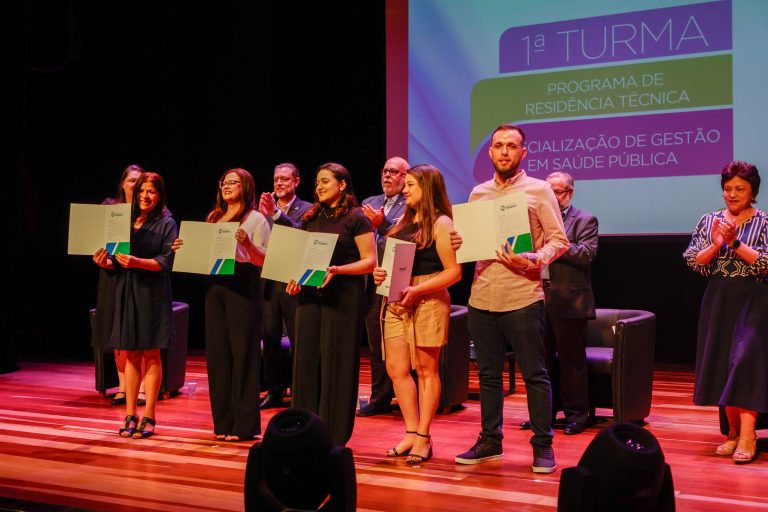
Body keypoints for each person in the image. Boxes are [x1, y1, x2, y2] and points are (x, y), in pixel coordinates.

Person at [453, 124, 568, 473]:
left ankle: (543, 445)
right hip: (482, 295)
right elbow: (473, 242)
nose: (504, 151)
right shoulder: (477, 193)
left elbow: (559, 241)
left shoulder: (540, 190)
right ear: (490, 152)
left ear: (523, 153)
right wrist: (461, 243)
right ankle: (490, 441)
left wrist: (532, 259)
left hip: (522, 294)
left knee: (534, 373)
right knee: (488, 376)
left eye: (512, 146)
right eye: (498, 145)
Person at [372, 164, 461, 464]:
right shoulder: (402, 222)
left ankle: (424, 436)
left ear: (427, 187)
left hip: (428, 298)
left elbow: (453, 272)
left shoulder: (441, 223)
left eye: (410, 185)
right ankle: (410, 432)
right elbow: (394, 262)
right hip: (396, 297)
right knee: (396, 369)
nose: (405, 189)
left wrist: (418, 290)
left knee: (425, 370)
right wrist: (381, 274)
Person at [175, 168, 270, 441]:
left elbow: (264, 259)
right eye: (224, 182)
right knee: (218, 355)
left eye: (233, 182)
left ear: (246, 187)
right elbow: (206, 253)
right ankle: (223, 423)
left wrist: (248, 243)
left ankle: (244, 425)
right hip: (215, 287)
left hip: (243, 286)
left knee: (243, 355)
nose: (227, 186)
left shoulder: (256, 219)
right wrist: (186, 247)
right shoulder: (215, 217)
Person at [683, 160, 768, 464]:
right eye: (728, 188)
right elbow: (694, 261)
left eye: (739, 189)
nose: (732, 194)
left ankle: (748, 435)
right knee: (722, 363)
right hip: (719, 297)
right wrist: (718, 244)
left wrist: (736, 242)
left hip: (755, 297)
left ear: (752, 192)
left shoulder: (765, 221)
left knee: (744, 362)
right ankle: (733, 433)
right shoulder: (709, 221)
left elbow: (765, 263)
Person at [286, 162, 376, 445]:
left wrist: (337, 270)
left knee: (337, 362)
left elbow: (370, 262)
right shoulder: (310, 218)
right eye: (317, 183)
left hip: (343, 298)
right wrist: (295, 279)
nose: (319, 187)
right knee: (306, 361)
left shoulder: (356, 218)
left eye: (325, 181)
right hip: (310, 298)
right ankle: (303, 428)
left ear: (343, 184)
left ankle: (333, 434)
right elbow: (302, 259)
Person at [94, 172, 177, 439]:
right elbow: (115, 262)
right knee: (129, 353)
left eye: (151, 191)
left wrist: (138, 262)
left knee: (151, 353)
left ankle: (150, 415)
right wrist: (104, 262)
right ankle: (130, 414)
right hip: (126, 290)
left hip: (152, 293)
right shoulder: (125, 221)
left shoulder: (166, 222)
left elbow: (166, 262)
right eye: (141, 191)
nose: (145, 196)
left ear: (159, 195)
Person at [537, 171, 598, 435]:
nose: (552, 196)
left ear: (569, 193)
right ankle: (544, 415)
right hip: (539, 296)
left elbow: (587, 253)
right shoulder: (537, 219)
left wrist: (557, 244)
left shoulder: (584, 219)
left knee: (572, 361)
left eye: (557, 192)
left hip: (570, 299)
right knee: (542, 361)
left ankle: (576, 416)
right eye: (547, 191)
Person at [92, 164, 149, 407]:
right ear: (123, 184)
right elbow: (95, 240)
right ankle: (124, 386)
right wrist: (100, 260)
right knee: (115, 330)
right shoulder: (110, 208)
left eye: (140, 180)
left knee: (138, 330)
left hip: (138, 275)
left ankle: (144, 385)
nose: (135, 185)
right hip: (112, 276)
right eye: (131, 180)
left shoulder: (150, 210)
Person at [258, 163, 312, 409]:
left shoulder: (307, 210)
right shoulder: (262, 211)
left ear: (296, 182)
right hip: (268, 280)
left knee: (298, 337)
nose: (279, 183)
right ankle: (274, 390)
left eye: (285, 179)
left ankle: (301, 389)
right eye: (276, 179)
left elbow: (301, 233)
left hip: (293, 282)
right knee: (269, 338)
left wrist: (277, 215)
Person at [357, 156, 408, 417]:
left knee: (391, 341)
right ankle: (381, 395)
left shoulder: (409, 204)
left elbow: (408, 236)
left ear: (405, 177)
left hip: (396, 278)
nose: (387, 176)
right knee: (375, 340)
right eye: (385, 171)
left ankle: (391, 395)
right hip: (369, 279)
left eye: (394, 172)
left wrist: (383, 224)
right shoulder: (370, 203)